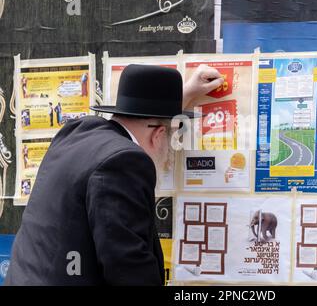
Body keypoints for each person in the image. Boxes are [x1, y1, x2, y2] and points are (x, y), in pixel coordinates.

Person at [5, 64, 223, 286]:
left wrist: (180, 97)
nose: (169, 149)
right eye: (171, 137)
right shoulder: (126, 162)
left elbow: (147, 117)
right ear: (158, 136)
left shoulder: (76, 131)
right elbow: (128, 264)